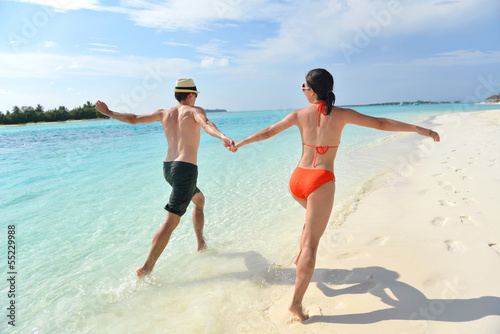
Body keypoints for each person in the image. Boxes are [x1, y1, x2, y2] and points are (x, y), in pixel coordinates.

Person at [232, 68, 440, 321]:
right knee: (312, 243)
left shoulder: (299, 114)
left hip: (297, 180)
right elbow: (381, 123)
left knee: (310, 226)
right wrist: (419, 129)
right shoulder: (342, 115)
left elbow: (268, 131)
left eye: (304, 87)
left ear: (313, 90)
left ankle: (299, 260)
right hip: (320, 180)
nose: (302, 90)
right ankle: (295, 304)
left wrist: (241, 142)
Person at [95, 78, 235, 278]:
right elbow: (206, 125)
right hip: (185, 170)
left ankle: (201, 244)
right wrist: (222, 136)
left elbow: (133, 118)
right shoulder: (195, 111)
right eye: (195, 95)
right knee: (171, 221)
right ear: (190, 95)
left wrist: (109, 113)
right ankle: (146, 269)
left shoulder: (164, 113)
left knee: (199, 200)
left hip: (168, 169)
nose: (195, 98)